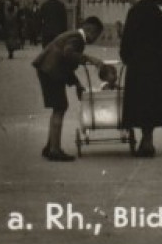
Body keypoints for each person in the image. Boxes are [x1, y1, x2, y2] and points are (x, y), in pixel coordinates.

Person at [32, 15, 109, 161]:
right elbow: (68, 54)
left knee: (58, 107)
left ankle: (50, 146)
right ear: (90, 30)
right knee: (60, 107)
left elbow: (66, 63)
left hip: (48, 70)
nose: (96, 39)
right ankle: (54, 150)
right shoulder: (77, 39)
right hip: (51, 71)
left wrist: (77, 84)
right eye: (96, 35)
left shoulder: (74, 36)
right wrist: (90, 59)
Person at [118, 0, 162, 158]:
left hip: (140, 63)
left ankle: (146, 142)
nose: (126, 0)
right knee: (151, 102)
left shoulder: (135, 11)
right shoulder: (156, 10)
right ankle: (148, 140)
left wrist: (125, 56)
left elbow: (128, 38)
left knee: (140, 102)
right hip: (158, 63)